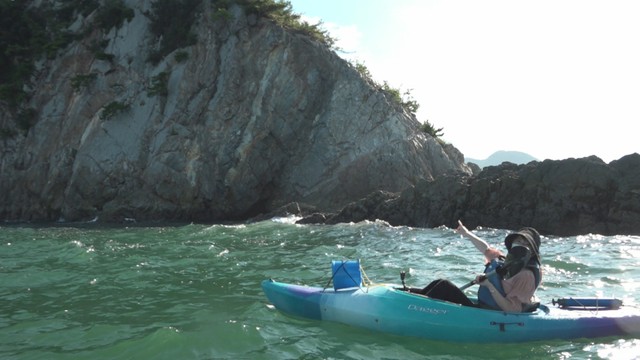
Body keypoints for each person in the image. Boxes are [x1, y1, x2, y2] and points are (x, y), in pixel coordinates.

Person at [413, 220, 542, 312]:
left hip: (492, 314)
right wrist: (466, 233)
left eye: (525, 243)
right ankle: (407, 296)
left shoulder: (527, 275)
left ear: (532, 250)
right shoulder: (506, 262)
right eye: (518, 240)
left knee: (444, 286)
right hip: (483, 308)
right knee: (439, 282)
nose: (519, 244)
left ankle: (413, 307)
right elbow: (485, 249)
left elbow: (513, 310)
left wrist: (489, 285)